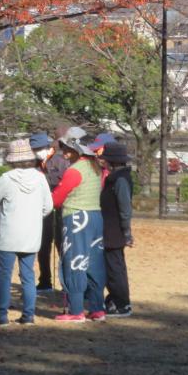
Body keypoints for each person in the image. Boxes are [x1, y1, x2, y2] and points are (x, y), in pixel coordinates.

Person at [0, 138, 53, 326]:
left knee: (4, 275)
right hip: (31, 234)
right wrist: (35, 218)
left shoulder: (7, 178)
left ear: (11, 159)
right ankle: (28, 316)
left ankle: (2, 316)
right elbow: (49, 206)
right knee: (28, 276)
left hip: (9, 234)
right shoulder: (40, 178)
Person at [52, 134, 107, 324]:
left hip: (76, 218)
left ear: (77, 149)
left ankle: (76, 310)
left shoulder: (74, 170)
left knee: (74, 261)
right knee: (94, 263)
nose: (64, 151)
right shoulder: (96, 168)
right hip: (95, 217)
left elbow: (57, 198)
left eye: (67, 148)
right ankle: (97, 309)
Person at [31, 130, 71, 292]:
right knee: (43, 245)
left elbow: (66, 184)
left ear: (47, 146)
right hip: (42, 210)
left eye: (39, 148)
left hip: (60, 208)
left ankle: (66, 281)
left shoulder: (61, 161)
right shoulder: (34, 163)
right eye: (35, 149)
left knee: (62, 244)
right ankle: (45, 280)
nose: (37, 151)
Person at [98, 141, 134, 317]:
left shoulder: (119, 180)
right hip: (110, 229)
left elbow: (125, 208)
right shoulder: (116, 177)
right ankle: (114, 300)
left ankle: (122, 304)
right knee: (112, 267)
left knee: (115, 269)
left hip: (114, 231)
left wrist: (127, 232)